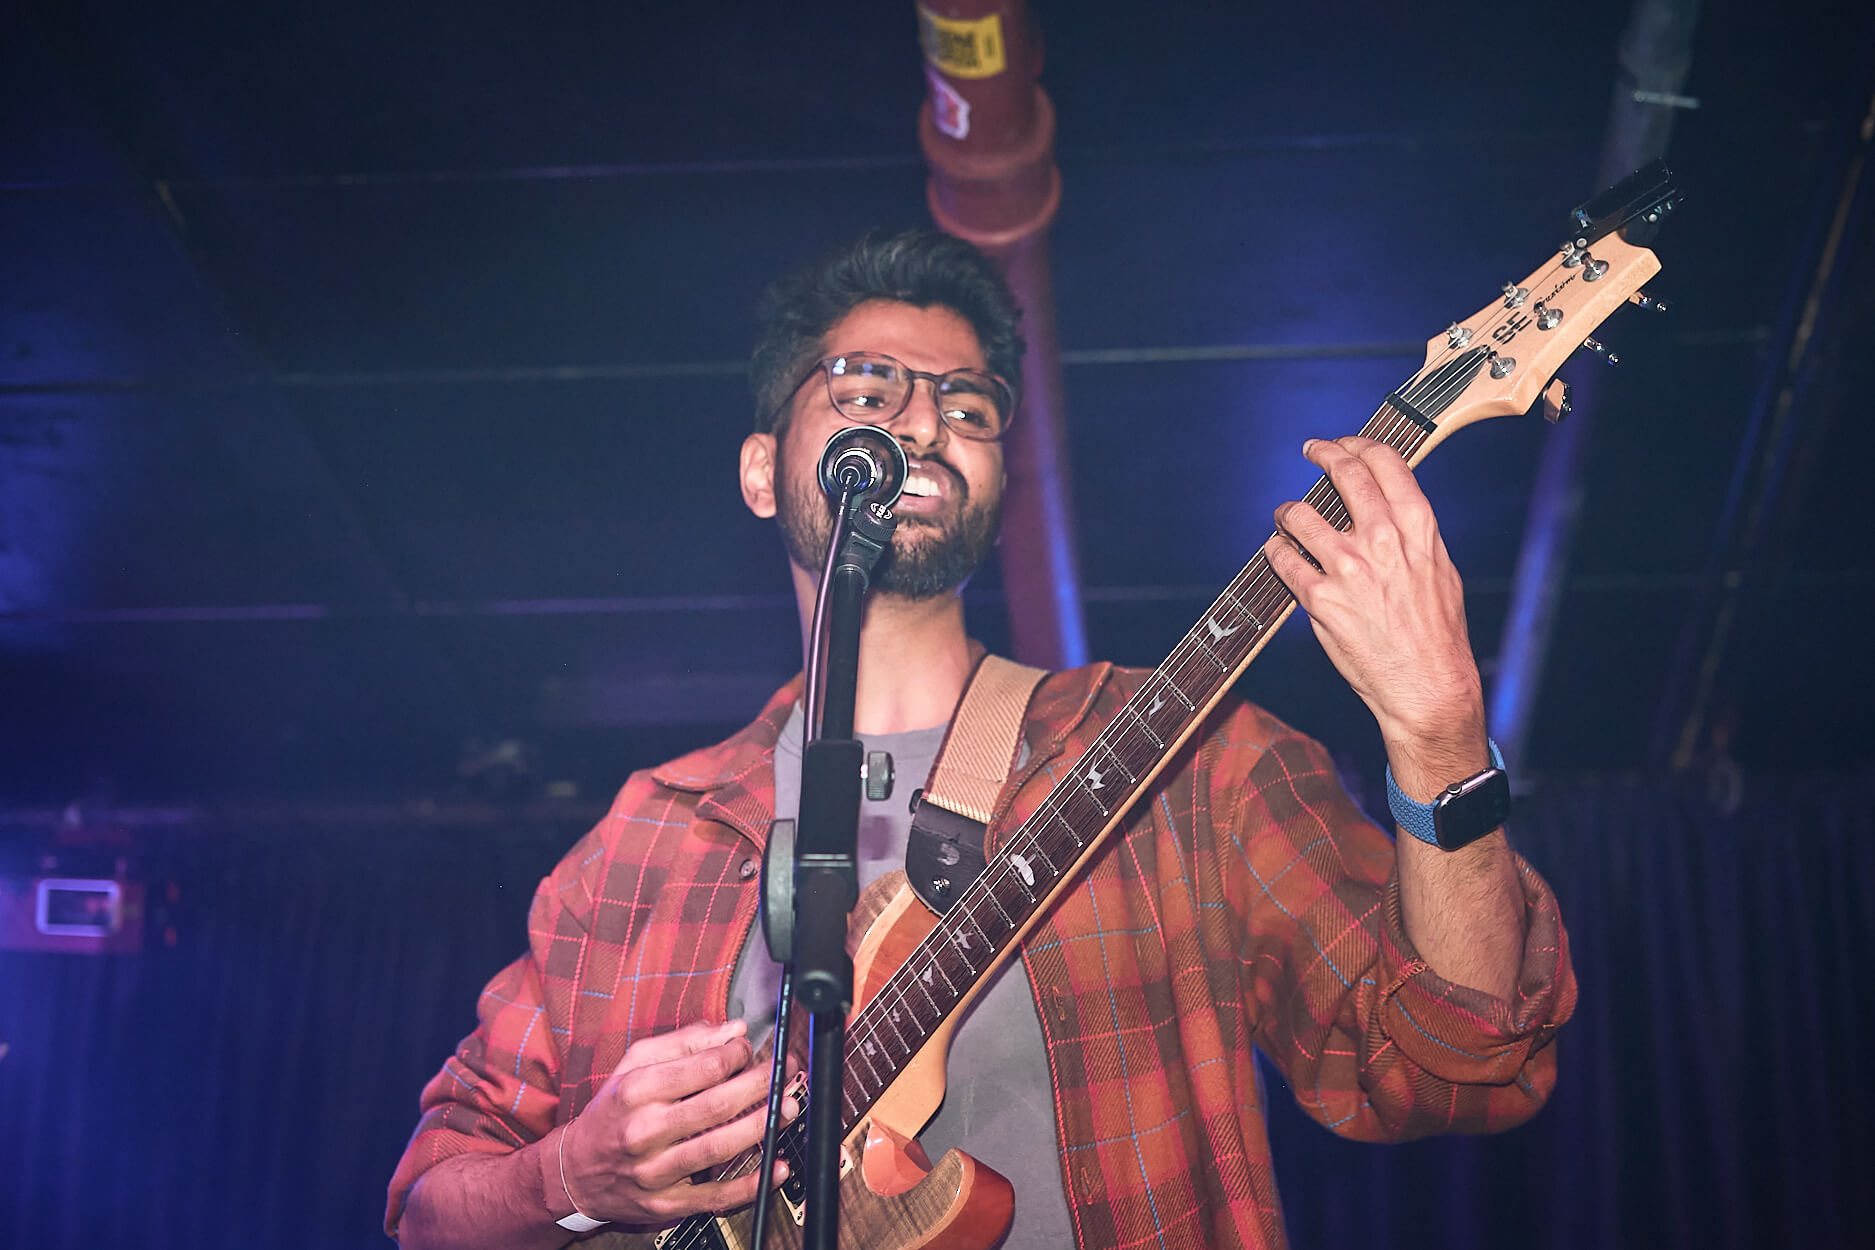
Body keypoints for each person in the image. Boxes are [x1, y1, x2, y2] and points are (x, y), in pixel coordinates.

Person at [386, 229, 1574, 1250]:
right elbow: (429, 1202)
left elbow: (1457, 1063)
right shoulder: (646, 839)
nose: (925, 420)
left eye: (969, 405)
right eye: (867, 391)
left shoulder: (1184, 758)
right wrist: (571, 1173)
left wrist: (1440, 737)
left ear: (1002, 478)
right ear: (760, 470)